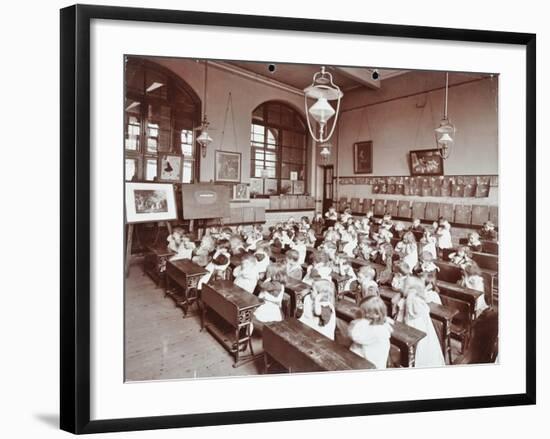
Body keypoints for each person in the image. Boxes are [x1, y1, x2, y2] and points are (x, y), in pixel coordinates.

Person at [396, 277, 445, 368]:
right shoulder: (415, 298)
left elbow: (413, 312)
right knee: (424, 346)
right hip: (418, 324)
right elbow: (424, 310)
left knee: (421, 346)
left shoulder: (411, 298)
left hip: (415, 324)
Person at [348, 296, 394, 369]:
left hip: (372, 363)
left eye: (365, 312)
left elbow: (354, 335)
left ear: (377, 314)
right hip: (367, 356)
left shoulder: (377, 331)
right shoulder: (380, 323)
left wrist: (357, 320)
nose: (363, 314)